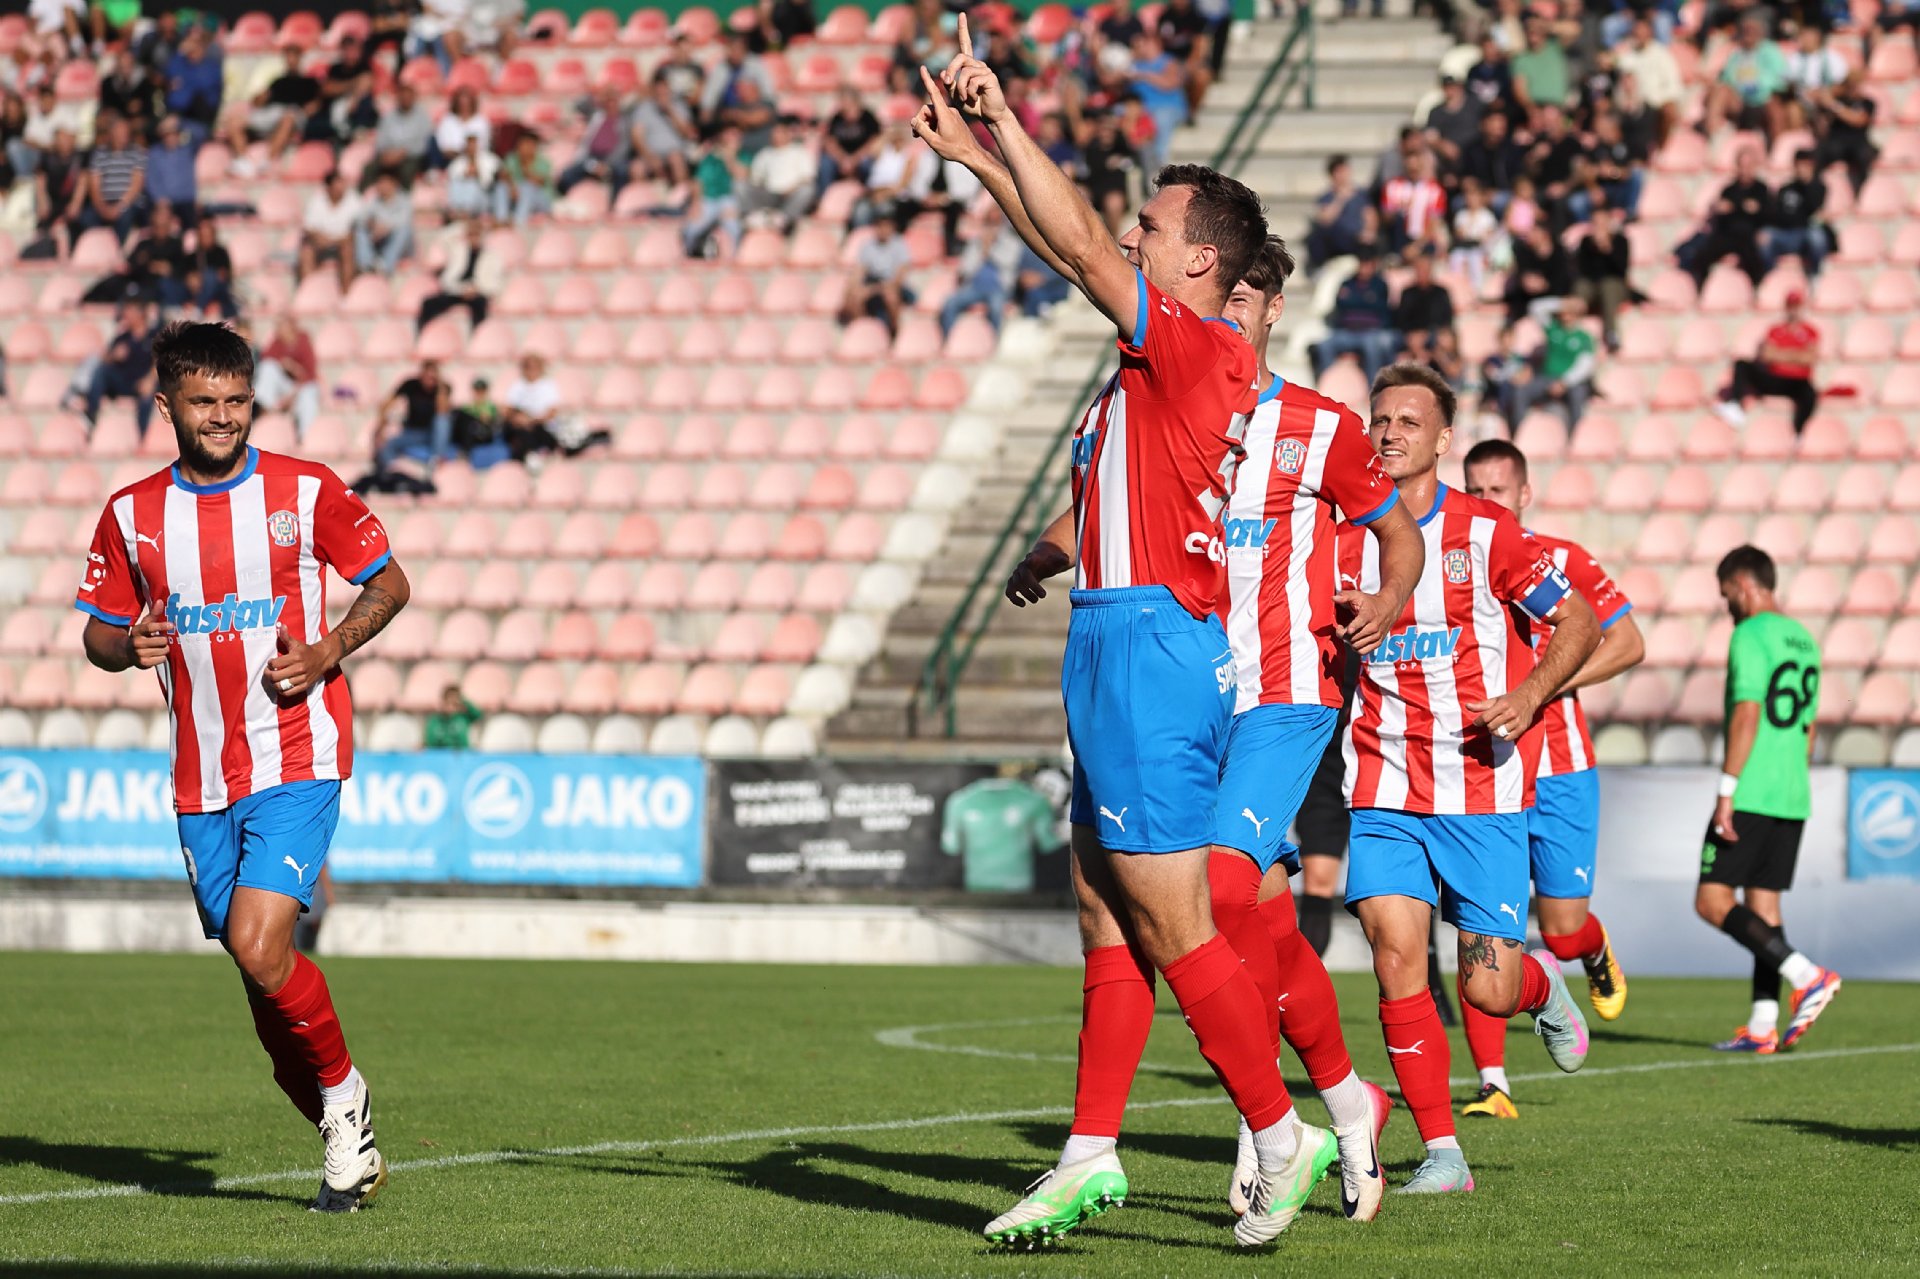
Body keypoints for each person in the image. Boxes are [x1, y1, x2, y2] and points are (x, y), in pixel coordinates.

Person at [917, 21, 1328, 1249]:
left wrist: (1008, 121)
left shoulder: (1196, 348)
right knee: (1104, 906)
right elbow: (1072, 249)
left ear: (1200, 260)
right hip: (1110, 638)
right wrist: (983, 164)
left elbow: (1086, 247)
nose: (1133, 235)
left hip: (1153, 649)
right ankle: (1090, 1152)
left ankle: (1282, 1132)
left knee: (1174, 921)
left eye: (1155, 226)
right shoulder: (1154, 352)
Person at [1012, 237, 1424, 1222]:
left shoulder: (1317, 425)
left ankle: (1265, 1118)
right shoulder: (1172, 400)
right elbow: (1099, 507)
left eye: (1247, 298)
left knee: (1222, 889)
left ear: (1274, 309)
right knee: (1256, 920)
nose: (1229, 310)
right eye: (1221, 294)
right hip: (1192, 690)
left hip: (1285, 691)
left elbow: (1398, 530)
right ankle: (1345, 1099)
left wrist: (1388, 597)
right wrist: (1045, 552)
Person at [74, 320, 409, 1213]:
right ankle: (343, 1126)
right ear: (167, 407)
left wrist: (328, 649)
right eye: (204, 401)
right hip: (200, 778)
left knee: (262, 947)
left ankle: (345, 1098)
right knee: (262, 984)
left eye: (236, 400)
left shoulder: (305, 488)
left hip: (298, 751)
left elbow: (390, 582)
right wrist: (127, 645)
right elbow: (98, 633)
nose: (223, 416)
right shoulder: (133, 513)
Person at [1335, 362, 1600, 1194]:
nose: (1390, 433)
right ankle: (1443, 1152)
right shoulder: (1341, 535)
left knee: (1488, 988)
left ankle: (1541, 987)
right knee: (1395, 955)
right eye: (1381, 419)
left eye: (1409, 421)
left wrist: (1529, 693)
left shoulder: (1489, 532)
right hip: (1383, 782)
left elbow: (1580, 620)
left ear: (1443, 438)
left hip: (1480, 789)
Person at [1457, 439, 1643, 1120]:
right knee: (1483, 921)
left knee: (1561, 933)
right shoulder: (1447, 557)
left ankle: (1591, 952)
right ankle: (1492, 1083)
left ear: (1524, 495)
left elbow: (1629, 642)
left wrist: (1543, 686)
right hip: (1483, 766)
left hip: (1561, 769)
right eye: (1475, 489)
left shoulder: (1564, 559)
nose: (1486, 501)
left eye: (1498, 491)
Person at [1696, 546, 1841, 1054]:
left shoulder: (1750, 634)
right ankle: (1763, 1025)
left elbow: (1747, 713)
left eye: (1726, 595)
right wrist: (1792, 778)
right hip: (1791, 791)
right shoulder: (1804, 639)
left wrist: (1727, 790)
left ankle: (1808, 976)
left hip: (1753, 788)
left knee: (1712, 901)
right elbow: (1810, 727)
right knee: (1765, 908)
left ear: (1743, 585)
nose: (1727, 606)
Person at [1714, 291, 1820, 433]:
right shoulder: (1776, 330)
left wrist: (1780, 354)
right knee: (1741, 365)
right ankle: (1735, 405)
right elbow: (1767, 355)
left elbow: (1810, 358)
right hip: (1774, 378)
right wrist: (1796, 355)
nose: (1793, 310)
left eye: (1796, 306)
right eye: (1791, 306)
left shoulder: (1810, 331)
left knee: (1810, 395)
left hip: (1796, 382)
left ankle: (1798, 432)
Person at [1684, 148, 1770, 293]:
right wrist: (1719, 209)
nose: (1745, 170)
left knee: (1756, 258)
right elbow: (1720, 215)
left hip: (1748, 235)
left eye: (1748, 166)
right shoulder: (1729, 189)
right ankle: (1699, 288)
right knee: (1702, 255)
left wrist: (1758, 210)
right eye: (1742, 166)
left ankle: (1757, 289)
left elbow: (1769, 215)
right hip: (1727, 235)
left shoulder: (1761, 189)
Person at [1506, 296, 1597, 432]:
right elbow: (1535, 307)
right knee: (1521, 391)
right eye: (1564, 311)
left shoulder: (1584, 337)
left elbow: (1585, 365)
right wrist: (1560, 303)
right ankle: (1519, 432)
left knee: (1578, 395)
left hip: (1570, 382)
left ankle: (1576, 435)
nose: (1565, 315)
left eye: (1570, 311)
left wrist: (1564, 382)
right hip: (1547, 378)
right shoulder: (1554, 329)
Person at [1309, 250, 1397, 387]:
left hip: (1370, 332)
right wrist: (1366, 299)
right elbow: (1341, 304)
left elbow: (1379, 307)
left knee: (1373, 348)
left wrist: (1353, 299)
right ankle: (1326, 386)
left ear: (1373, 265)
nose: (1364, 268)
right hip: (1347, 331)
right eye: (1362, 264)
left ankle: (1373, 388)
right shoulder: (1347, 283)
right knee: (1325, 346)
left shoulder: (1380, 285)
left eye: (1368, 264)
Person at [80, 301, 156, 438]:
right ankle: (91, 414)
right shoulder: (123, 337)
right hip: (123, 382)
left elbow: (162, 361)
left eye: (130, 311)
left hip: (143, 383)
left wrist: (150, 379)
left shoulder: (154, 336)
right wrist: (114, 355)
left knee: (149, 394)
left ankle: (142, 436)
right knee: (102, 371)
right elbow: (104, 358)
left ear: (141, 313)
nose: (126, 315)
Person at [1706, 16, 1787, 140]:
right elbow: (1727, 78)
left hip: (1763, 98)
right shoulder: (1736, 54)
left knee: (1774, 106)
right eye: (1745, 30)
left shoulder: (1770, 51)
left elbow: (1779, 79)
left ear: (1761, 32)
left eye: (1752, 30)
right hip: (1739, 98)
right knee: (1721, 92)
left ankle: (1778, 145)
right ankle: (1714, 136)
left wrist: (1758, 91)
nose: (1748, 33)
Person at [417, 218, 504, 332]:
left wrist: (477, 289)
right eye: (471, 234)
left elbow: (495, 284)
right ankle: (423, 334)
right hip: (456, 290)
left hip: (477, 293)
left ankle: (478, 336)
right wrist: (464, 225)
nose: (474, 238)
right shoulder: (458, 250)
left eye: (477, 234)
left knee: (480, 306)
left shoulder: (492, 256)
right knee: (429, 303)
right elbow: (442, 237)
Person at [838, 215, 914, 337]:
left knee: (891, 296)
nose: (883, 229)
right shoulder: (868, 246)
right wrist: (854, 287)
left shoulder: (900, 244)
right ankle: (864, 332)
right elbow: (859, 271)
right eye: (880, 226)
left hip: (893, 286)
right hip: (874, 283)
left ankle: (893, 333)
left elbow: (899, 278)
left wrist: (873, 290)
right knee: (853, 296)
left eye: (886, 226)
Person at [79, 112, 147, 243]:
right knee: (86, 218)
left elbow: (137, 185)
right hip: (104, 203)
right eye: (119, 131)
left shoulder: (136, 152)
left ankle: (116, 249)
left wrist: (120, 207)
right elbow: (94, 185)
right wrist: (102, 208)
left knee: (125, 218)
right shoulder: (99, 153)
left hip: (128, 203)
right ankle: (98, 247)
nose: (123, 135)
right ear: (111, 133)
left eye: (125, 131)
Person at [373, 359, 454, 468]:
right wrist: (381, 428)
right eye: (427, 375)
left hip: (432, 433)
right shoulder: (411, 385)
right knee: (387, 445)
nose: (429, 379)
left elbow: (443, 411)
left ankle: (437, 459)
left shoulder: (443, 388)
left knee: (442, 420)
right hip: (412, 432)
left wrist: (440, 387)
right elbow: (387, 404)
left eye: (432, 376)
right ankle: (391, 472)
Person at [1811, 70, 1877, 198]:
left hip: (1858, 143)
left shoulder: (1867, 103)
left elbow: (1859, 120)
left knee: (1865, 156)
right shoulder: (1840, 101)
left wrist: (1834, 105)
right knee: (1818, 154)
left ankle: (1862, 193)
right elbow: (1822, 124)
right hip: (1836, 143)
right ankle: (1816, 191)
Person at [255, 313, 321, 437]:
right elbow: (266, 358)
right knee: (268, 367)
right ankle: (266, 409)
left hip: (302, 386)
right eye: (278, 326)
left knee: (308, 395)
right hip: (285, 386)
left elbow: (310, 374)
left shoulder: (303, 340)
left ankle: (305, 436)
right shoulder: (277, 342)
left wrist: (294, 369)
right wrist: (283, 362)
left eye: (282, 326)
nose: (280, 330)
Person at [1764, 149, 1827, 279]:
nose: (1801, 169)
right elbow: (1778, 214)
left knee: (1817, 236)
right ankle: (1770, 276)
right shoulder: (1786, 188)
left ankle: (1815, 275)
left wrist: (1807, 184)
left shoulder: (1819, 187)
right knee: (1764, 236)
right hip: (1784, 233)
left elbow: (1814, 210)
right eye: (1799, 165)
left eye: (1805, 165)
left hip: (1804, 234)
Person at [299, 170, 361, 286]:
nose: (341, 188)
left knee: (348, 250)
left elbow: (355, 231)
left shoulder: (353, 200)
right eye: (338, 184)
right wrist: (321, 238)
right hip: (320, 243)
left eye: (343, 184)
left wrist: (333, 241)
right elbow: (308, 228)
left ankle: (346, 292)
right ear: (329, 187)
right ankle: (308, 290)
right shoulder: (317, 200)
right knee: (306, 251)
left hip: (342, 243)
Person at [352, 171, 415, 277]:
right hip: (379, 242)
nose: (382, 186)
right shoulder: (374, 201)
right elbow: (359, 219)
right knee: (360, 230)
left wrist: (386, 228)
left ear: (394, 184)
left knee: (404, 230)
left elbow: (404, 221)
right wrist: (371, 224)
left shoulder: (405, 200)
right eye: (379, 183)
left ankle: (386, 266)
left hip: (399, 246)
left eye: (385, 183)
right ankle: (367, 265)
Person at [424, 683, 482, 749]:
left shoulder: (463, 718)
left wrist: (463, 700)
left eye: (454, 703)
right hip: (440, 754)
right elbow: (430, 743)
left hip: (462, 754)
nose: (450, 706)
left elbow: (478, 714)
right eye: (448, 702)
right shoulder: (434, 720)